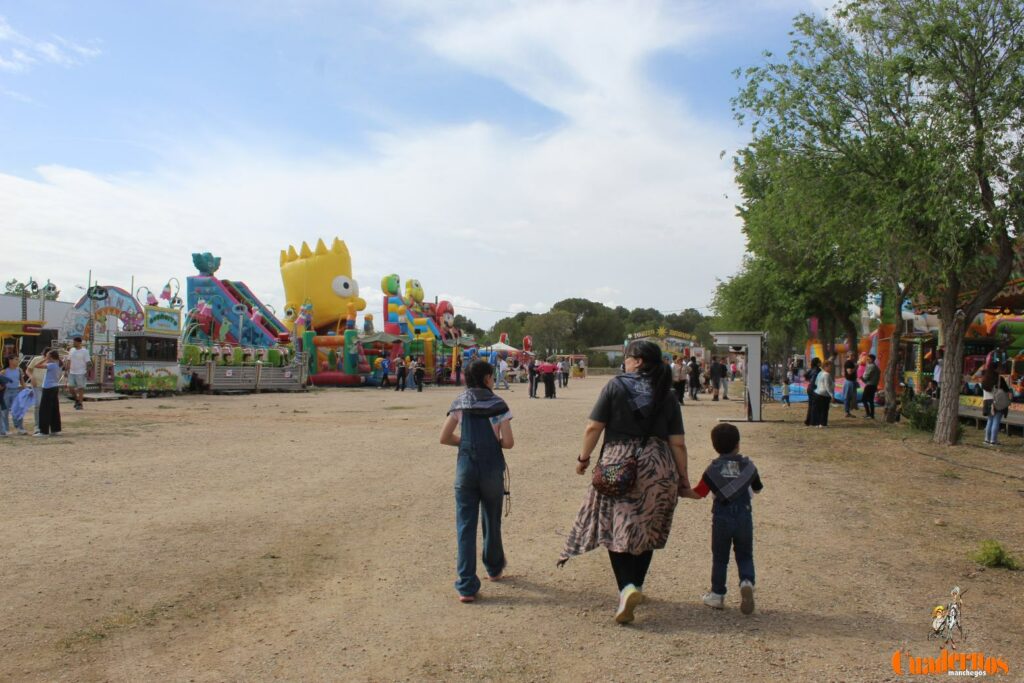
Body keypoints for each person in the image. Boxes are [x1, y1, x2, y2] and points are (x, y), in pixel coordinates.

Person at [558, 340, 692, 624]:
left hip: (618, 465)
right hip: (659, 465)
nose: (625, 363)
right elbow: (678, 443)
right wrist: (683, 479)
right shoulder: (667, 393)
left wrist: (583, 460)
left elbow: (594, 426)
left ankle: (626, 587)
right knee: (649, 527)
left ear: (639, 361)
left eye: (628, 358)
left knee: (613, 524)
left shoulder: (615, 386)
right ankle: (637, 585)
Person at [439, 360, 514, 602]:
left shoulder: (459, 403)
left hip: (466, 469)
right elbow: (509, 442)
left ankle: (467, 585)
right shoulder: (498, 404)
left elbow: (444, 437)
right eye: (491, 376)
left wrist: (466, 442)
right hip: (491, 469)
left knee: (465, 526)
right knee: (491, 520)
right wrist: (493, 443)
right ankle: (493, 568)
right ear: (486, 379)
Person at [691, 423, 763, 614]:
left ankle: (717, 594)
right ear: (738, 444)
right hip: (744, 516)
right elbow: (757, 488)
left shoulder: (712, 470)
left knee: (720, 557)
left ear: (715, 446)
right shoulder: (748, 466)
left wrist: (682, 491)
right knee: (745, 554)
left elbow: (699, 493)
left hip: (721, 517)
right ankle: (746, 581)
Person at [981, 364, 1010, 445]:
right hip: (997, 401)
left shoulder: (984, 379)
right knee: (996, 421)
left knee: (990, 420)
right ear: (996, 369)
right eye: (999, 368)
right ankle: (993, 441)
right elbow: (1007, 390)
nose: (1001, 370)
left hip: (987, 401)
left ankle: (987, 439)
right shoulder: (999, 379)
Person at [36, 350, 63, 437]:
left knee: (44, 410)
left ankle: (43, 431)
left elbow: (37, 365)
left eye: (47, 356)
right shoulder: (58, 363)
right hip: (55, 387)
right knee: (54, 409)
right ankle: (55, 429)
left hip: (48, 388)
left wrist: (45, 359)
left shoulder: (51, 365)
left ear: (50, 357)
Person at [2, 356, 26, 435]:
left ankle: (20, 427)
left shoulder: (19, 370)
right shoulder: (4, 371)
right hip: (6, 392)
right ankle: (5, 429)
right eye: (16, 359)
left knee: (18, 410)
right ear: (10, 361)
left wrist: (24, 390)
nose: (17, 361)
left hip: (16, 391)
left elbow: (22, 381)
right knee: (4, 411)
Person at [67, 336, 90, 410]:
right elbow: (69, 360)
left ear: (79, 343)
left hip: (81, 372)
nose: (73, 343)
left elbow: (88, 362)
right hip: (72, 371)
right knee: (70, 387)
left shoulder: (85, 351)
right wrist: (66, 370)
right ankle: (77, 400)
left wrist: (87, 371)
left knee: (80, 388)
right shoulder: (71, 350)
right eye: (73, 342)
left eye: (75, 342)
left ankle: (80, 403)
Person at [812, 361, 834, 428]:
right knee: (824, 410)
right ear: (825, 366)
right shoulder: (827, 374)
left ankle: (817, 424)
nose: (831, 368)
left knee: (818, 410)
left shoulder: (820, 373)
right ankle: (823, 424)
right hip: (824, 395)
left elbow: (816, 383)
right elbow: (827, 386)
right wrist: (832, 395)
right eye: (830, 366)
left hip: (817, 393)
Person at [803, 358, 822, 427]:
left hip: (810, 388)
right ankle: (813, 422)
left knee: (811, 405)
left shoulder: (811, 369)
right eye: (820, 361)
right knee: (815, 406)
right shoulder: (818, 370)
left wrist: (809, 380)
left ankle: (808, 421)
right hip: (814, 389)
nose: (821, 362)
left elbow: (805, 375)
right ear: (817, 363)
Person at [861, 354, 879, 419]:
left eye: (868, 359)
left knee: (864, 400)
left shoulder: (871, 366)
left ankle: (868, 414)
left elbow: (866, 377)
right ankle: (871, 415)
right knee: (871, 400)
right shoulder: (876, 367)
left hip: (869, 385)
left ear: (872, 359)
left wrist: (861, 377)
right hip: (873, 386)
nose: (867, 360)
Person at [842, 353, 858, 418]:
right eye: (852, 355)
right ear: (849, 356)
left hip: (851, 381)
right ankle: (847, 412)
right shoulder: (848, 363)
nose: (853, 357)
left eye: (853, 355)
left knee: (850, 397)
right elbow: (849, 372)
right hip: (849, 381)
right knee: (847, 397)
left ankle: (848, 411)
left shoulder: (851, 362)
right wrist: (856, 367)